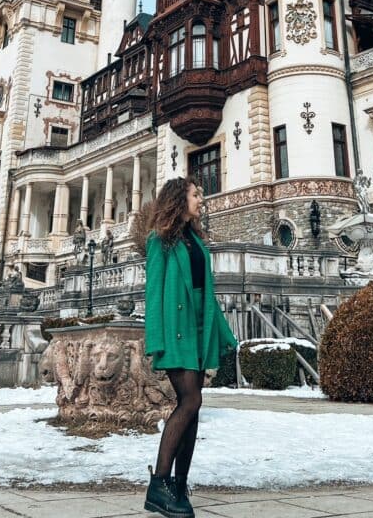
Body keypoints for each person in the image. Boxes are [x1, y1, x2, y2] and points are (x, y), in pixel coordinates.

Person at [144, 177, 237, 517]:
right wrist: (155, 340)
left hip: (199, 328)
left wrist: (226, 336)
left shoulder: (195, 239)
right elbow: (153, 292)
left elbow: (207, 293)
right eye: (196, 193)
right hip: (177, 330)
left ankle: (179, 486)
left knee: (193, 409)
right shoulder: (160, 241)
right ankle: (158, 485)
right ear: (179, 199)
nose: (201, 198)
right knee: (190, 401)